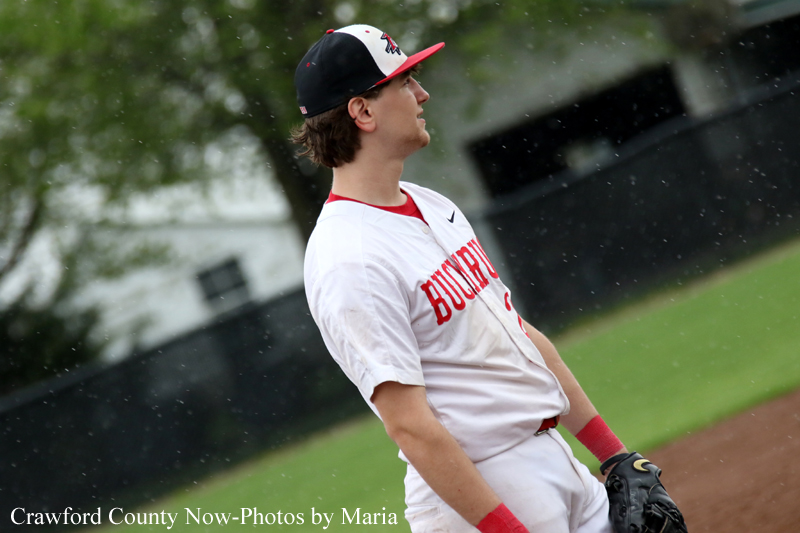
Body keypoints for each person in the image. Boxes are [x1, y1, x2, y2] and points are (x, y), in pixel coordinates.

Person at [293, 24, 627, 533]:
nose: (422, 93)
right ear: (362, 111)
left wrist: (615, 457)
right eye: (405, 82)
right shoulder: (348, 257)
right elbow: (408, 424)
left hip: (552, 456)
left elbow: (520, 334)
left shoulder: (431, 204)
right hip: (481, 487)